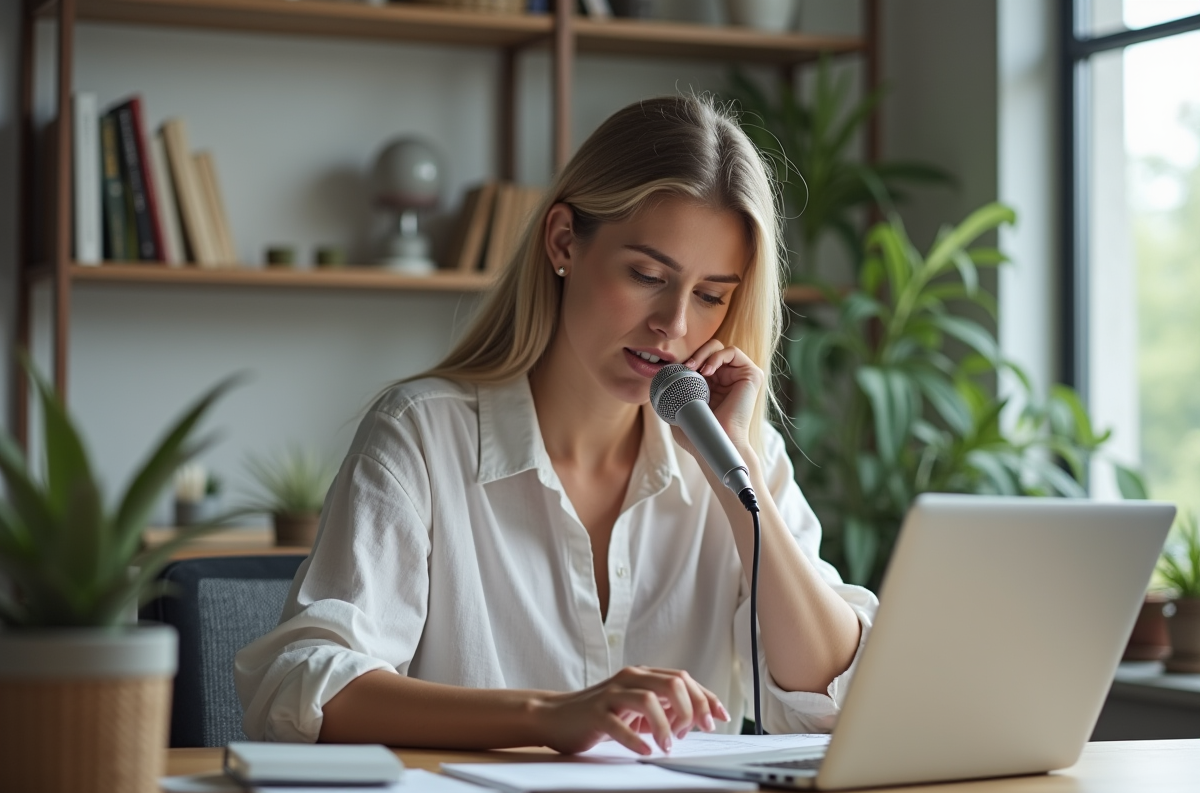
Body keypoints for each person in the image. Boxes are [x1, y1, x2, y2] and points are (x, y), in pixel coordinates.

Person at [235, 95, 877, 756]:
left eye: (711, 295)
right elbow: (303, 684)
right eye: (647, 275)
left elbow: (835, 698)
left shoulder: (740, 456)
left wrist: (736, 476)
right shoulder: (423, 435)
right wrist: (549, 715)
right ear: (564, 240)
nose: (675, 326)